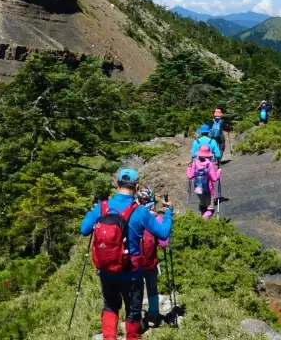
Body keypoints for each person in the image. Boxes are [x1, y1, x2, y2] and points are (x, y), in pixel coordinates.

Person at [80, 169, 173, 340]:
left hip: (107, 272)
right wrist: (168, 213)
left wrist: (92, 211)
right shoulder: (141, 212)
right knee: (133, 311)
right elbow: (163, 233)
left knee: (110, 306)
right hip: (131, 273)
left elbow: (84, 229)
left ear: (117, 185)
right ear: (136, 186)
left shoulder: (102, 207)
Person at [136, 185, 168, 328]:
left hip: (134, 262)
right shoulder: (156, 218)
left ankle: (134, 318)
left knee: (134, 290)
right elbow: (164, 243)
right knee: (152, 288)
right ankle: (153, 316)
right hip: (150, 262)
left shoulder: (132, 215)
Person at [186, 145, 220, 219]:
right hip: (208, 189)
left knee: (203, 206)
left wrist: (188, 168)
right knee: (210, 210)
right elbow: (214, 178)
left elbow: (190, 176)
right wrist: (218, 172)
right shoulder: (210, 164)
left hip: (198, 189)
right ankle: (203, 219)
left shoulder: (195, 163)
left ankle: (202, 223)